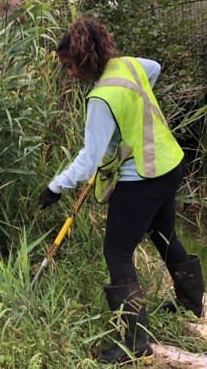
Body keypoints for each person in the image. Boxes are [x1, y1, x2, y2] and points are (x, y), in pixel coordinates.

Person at [39, 18, 204, 365]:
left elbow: (89, 162)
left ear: (84, 60)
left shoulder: (101, 98)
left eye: (70, 67)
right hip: (170, 162)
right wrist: (133, 120)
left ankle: (134, 342)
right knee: (163, 233)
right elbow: (154, 68)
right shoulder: (130, 66)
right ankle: (192, 304)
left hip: (143, 176)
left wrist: (55, 187)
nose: (69, 74)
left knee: (116, 251)